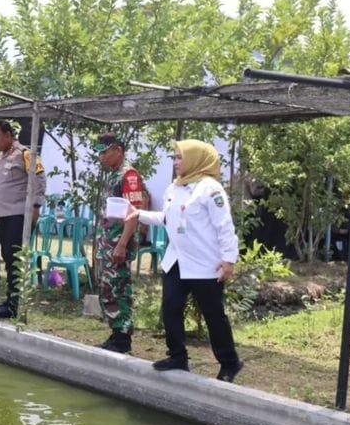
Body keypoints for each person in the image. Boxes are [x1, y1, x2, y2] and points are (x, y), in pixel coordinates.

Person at [128, 139, 243, 382]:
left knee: (213, 315)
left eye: (180, 157)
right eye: (175, 157)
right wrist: (139, 214)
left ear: (195, 159)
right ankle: (177, 356)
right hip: (177, 261)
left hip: (205, 264)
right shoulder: (174, 188)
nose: (176, 162)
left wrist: (229, 260)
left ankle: (229, 362)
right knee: (170, 307)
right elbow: (167, 218)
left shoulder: (211, 189)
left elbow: (224, 227)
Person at [0, 120, 45, 318]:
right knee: (9, 257)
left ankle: (16, 305)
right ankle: (12, 301)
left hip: (18, 214)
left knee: (15, 259)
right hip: (3, 215)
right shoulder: (2, 157)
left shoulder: (25, 154)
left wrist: (36, 206)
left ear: (8, 135)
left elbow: (39, 178)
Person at [93, 132, 145, 354]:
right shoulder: (114, 175)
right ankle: (115, 334)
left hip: (118, 244)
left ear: (118, 150)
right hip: (109, 243)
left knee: (119, 289)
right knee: (108, 289)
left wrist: (123, 244)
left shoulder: (129, 176)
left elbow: (133, 214)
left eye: (104, 152)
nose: (101, 157)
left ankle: (123, 338)